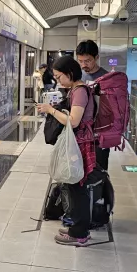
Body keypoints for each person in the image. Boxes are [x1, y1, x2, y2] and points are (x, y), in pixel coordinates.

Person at [36, 55, 97, 245]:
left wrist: (51, 110)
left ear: (70, 73)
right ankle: (77, 227)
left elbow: (74, 121)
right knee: (74, 185)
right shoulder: (76, 89)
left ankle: (79, 233)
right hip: (78, 143)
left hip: (79, 145)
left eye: (59, 76)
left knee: (78, 187)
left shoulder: (79, 91)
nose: (58, 81)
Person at [76, 40, 110, 171]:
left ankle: (100, 190)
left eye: (88, 60)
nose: (84, 65)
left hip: (100, 132)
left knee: (99, 169)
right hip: (82, 131)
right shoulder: (79, 75)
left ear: (96, 57)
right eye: (81, 61)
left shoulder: (106, 77)